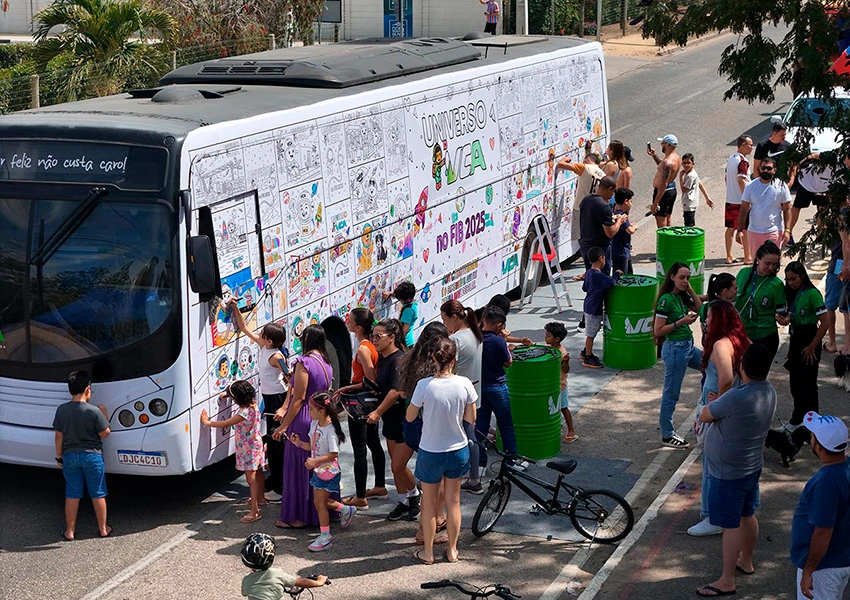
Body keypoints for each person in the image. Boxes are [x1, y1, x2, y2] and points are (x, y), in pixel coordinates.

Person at [696, 343, 777, 598]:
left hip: (727, 472)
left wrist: (716, 402)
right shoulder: (769, 391)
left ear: (742, 366)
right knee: (747, 514)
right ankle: (747, 561)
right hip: (750, 466)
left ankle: (726, 579)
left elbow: (706, 415)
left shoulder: (736, 396)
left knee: (730, 525)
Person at [407, 337, 477, 565]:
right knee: (453, 501)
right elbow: (471, 418)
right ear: (454, 359)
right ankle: (453, 550)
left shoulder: (424, 386)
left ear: (433, 358)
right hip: (457, 448)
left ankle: (428, 552)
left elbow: (409, 416)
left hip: (430, 450)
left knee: (428, 503)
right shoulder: (465, 383)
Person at [688, 300, 751, 537]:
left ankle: (711, 515)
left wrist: (719, 402)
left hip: (716, 409)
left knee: (711, 464)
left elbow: (724, 377)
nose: (705, 321)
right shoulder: (741, 340)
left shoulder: (720, 345)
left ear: (720, 320)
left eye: (710, 317)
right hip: (732, 407)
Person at [272, 324, 333, 529]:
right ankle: (323, 512)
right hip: (319, 417)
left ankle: (299, 517)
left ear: (307, 339)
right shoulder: (326, 363)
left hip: (303, 417)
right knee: (318, 466)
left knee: (298, 467)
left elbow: (298, 399)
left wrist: (283, 426)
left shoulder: (303, 362)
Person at [228, 304, 289, 501]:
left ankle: (280, 488)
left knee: (277, 442)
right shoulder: (265, 347)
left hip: (277, 399)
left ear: (270, 340)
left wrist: (284, 406)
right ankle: (276, 481)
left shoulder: (277, 357)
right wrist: (235, 307)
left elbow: (292, 381)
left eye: (262, 335)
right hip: (269, 398)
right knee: (272, 441)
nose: (259, 336)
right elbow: (244, 328)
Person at [398, 322, 450, 544]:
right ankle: (429, 526)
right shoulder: (435, 370)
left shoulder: (410, 360)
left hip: (410, 424)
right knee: (434, 482)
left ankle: (432, 518)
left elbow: (404, 394)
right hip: (429, 426)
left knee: (420, 474)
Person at [790, 412, 850, 600]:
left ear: (818, 446)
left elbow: (823, 532)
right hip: (840, 557)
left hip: (823, 568)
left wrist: (809, 571)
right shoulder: (845, 468)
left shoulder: (825, 483)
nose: (810, 437)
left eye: (813, 435)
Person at [366, 318, 419, 521]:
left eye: (378, 336)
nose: (375, 340)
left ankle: (415, 496)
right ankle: (404, 500)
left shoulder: (398, 359)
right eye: (373, 336)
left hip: (403, 420)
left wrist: (377, 412)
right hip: (390, 420)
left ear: (392, 337)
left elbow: (396, 391)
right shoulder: (384, 358)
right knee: (394, 466)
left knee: (398, 465)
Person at [287, 393, 355, 551]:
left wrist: (315, 461)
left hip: (328, 471)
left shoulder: (330, 430)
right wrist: (299, 443)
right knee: (320, 501)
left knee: (319, 502)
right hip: (319, 470)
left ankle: (325, 536)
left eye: (311, 409)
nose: (308, 412)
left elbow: (334, 454)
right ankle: (345, 510)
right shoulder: (315, 424)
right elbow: (313, 447)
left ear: (322, 411)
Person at [335, 308, 387, 509]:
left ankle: (360, 496)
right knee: (374, 443)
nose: (347, 322)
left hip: (360, 404)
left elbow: (369, 380)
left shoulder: (364, 349)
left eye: (350, 320)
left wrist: (348, 387)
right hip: (370, 403)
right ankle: (380, 486)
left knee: (359, 450)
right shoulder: (371, 345)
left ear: (358, 327)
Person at [53, 370, 111, 540]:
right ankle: (103, 529)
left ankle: (69, 531)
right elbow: (105, 433)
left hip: (70, 456)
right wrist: (104, 413)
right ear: (87, 389)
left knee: (72, 493)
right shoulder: (94, 411)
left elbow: (58, 436)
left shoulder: (62, 410)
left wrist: (59, 456)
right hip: (92, 457)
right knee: (98, 492)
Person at [654, 261, 703, 449]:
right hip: (675, 349)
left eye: (688, 278)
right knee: (671, 392)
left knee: (711, 366)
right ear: (672, 277)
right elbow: (658, 331)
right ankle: (667, 434)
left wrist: (690, 290)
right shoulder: (666, 300)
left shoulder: (681, 297)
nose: (685, 281)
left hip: (688, 347)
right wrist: (681, 322)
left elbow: (700, 307)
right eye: (681, 277)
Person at [202, 380, 265, 523]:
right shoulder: (253, 404)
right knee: (259, 472)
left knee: (251, 479)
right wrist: (227, 394)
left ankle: (254, 511)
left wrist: (207, 422)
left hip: (247, 449)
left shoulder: (243, 412)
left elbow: (225, 423)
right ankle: (261, 498)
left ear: (238, 399)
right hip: (256, 444)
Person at [440, 299, 485, 494]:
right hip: (473, 393)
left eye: (444, 319)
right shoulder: (474, 334)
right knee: (470, 434)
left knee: (467, 437)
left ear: (454, 317)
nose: (444, 324)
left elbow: (447, 367)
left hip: (459, 396)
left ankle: (471, 478)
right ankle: (473, 476)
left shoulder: (456, 340)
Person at [777, 262, 829, 428]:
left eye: (794, 279)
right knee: (795, 383)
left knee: (808, 384)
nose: (790, 282)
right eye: (788, 279)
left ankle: (812, 422)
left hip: (809, 338)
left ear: (802, 277)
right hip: (797, 338)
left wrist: (812, 346)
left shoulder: (812, 294)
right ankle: (798, 419)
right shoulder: (794, 293)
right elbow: (794, 318)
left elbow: (825, 322)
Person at [477, 306, 517, 470]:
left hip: (480, 387)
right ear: (499, 325)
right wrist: (505, 343)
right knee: (505, 424)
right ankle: (510, 461)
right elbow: (508, 362)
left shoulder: (476, 338)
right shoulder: (498, 341)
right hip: (497, 387)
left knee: (480, 427)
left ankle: (479, 465)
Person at [734, 241, 788, 361]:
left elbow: (782, 314)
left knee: (755, 378)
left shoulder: (776, 284)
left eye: (774, 264)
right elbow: (730, 296)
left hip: (765, 337)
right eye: (767, 263)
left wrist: (784, 321)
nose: (771, 268)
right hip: (740, 334)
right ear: (758, 259)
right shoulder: (744, 273)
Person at [240, 533, 328, 599]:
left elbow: (245, 593)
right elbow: (301, 582)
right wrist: (319, 582)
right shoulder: (277, 574)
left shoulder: (247, 581)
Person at [737, 157, 792, 257]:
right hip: (754, 232)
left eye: (769, 168)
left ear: (774, 170)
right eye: (763, 168)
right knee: (755, 262)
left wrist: (787, 231)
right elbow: (744, 209)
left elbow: (787, 209)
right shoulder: (751, 186)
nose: (765, 170)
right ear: (760, 168)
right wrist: (739, 230)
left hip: (774, 231)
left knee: (772, 262)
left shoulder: (781, 186)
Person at [555, 151, 607, 255]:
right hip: (595, 209)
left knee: (581, 237)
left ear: (587, 160)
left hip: (580, 208)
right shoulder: (603, 175)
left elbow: (561, 164)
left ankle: (587, 256)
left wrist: (565, 159)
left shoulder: (584, 167)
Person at [577, 175, 626, 275]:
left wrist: (611, 218)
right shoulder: (604, 207)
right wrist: (619, 221)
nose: (613, 195)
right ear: (610, 189)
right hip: (599, 249)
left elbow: (593, 218)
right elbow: (610, 233)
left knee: (591, 277)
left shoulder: (586, 200)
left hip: (586, 246)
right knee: (602, 280)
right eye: (613, 192)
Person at [581, 246, 620, 369]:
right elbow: (612, 283)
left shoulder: (589, 273)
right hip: (594, 308)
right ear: (601, 259)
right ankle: (587, 357)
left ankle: (585, 351)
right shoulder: (598, 275)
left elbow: (584, 288)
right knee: (591, 334)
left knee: (592, 330)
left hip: (588, 305)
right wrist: (616, 274)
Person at [825, 192, 850, 353]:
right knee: (844, 307)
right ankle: (839, 342)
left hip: (839, 264)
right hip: (840, 262)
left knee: (832, 305)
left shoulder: (842, 215)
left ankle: (834, 341)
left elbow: (845, 242)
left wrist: (846, 265)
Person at [543, 321, 576, 443]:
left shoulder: (562, 353)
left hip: (560, 385)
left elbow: (566, 370)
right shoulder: (549, 347)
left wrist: (566, 361)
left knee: (563, 407)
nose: (545, 338)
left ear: (557, 339)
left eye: (548, 336)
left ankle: (571, 430)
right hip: (549, 384)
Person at [725, 135, 754, 264]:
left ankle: (729, 255)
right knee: (745, 228)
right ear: (743, 145)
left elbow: (726, 178)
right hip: (740, 201)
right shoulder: (743, 161)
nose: (752, 147)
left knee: (731, 228)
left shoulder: (731, 158)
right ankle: (747, 257)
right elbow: (741, 179)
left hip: (730, 198)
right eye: (750, 145)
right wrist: (745, 198)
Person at [647, 134, 682, 228]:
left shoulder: (667, 162)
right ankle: (670, 242)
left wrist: (655, 203)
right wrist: (654, 156)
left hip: (663, 193)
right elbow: (662, 167)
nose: (661, 145)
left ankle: (664, 242)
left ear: (667, 144)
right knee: (668, 221)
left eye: (662, 143)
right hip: (671, 190)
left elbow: (663, 184)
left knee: (661, 224)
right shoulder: (675, 158)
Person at [699, 273, 738, 339]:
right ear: (725, 291)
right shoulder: (724, 310)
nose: (737, 291)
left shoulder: (706, 307)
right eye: (735, 288)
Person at [679, 152, 714, 227]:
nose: (686, 165)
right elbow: (700, 184)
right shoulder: (692, 173)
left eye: (688, 163)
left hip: (689, 203)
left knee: (689, 225)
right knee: (689, 222)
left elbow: (684, 189)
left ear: (693, 164)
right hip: (692, 203)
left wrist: (680, 177)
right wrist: (707, 198)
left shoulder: (690, 176)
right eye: (684, 163)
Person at [383, 281, 418, 347]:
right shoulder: (412, 303)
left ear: (406, 299)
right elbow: (400, 294)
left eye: (400, 299)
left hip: (406, 342)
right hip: (407, 341)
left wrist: (399, 342)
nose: (399, 300)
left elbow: (405, 329)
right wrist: (390, 293)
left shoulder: (408, 310)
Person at [611, 187, 637, 275]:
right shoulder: (621, 215)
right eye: (630, 201)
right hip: (621, 251)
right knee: (621, 276)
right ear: (626, 201)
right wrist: (634, 226)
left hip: (623, 250)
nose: (631, 204)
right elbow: (630, 230)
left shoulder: (615, 211)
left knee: (629, 274)